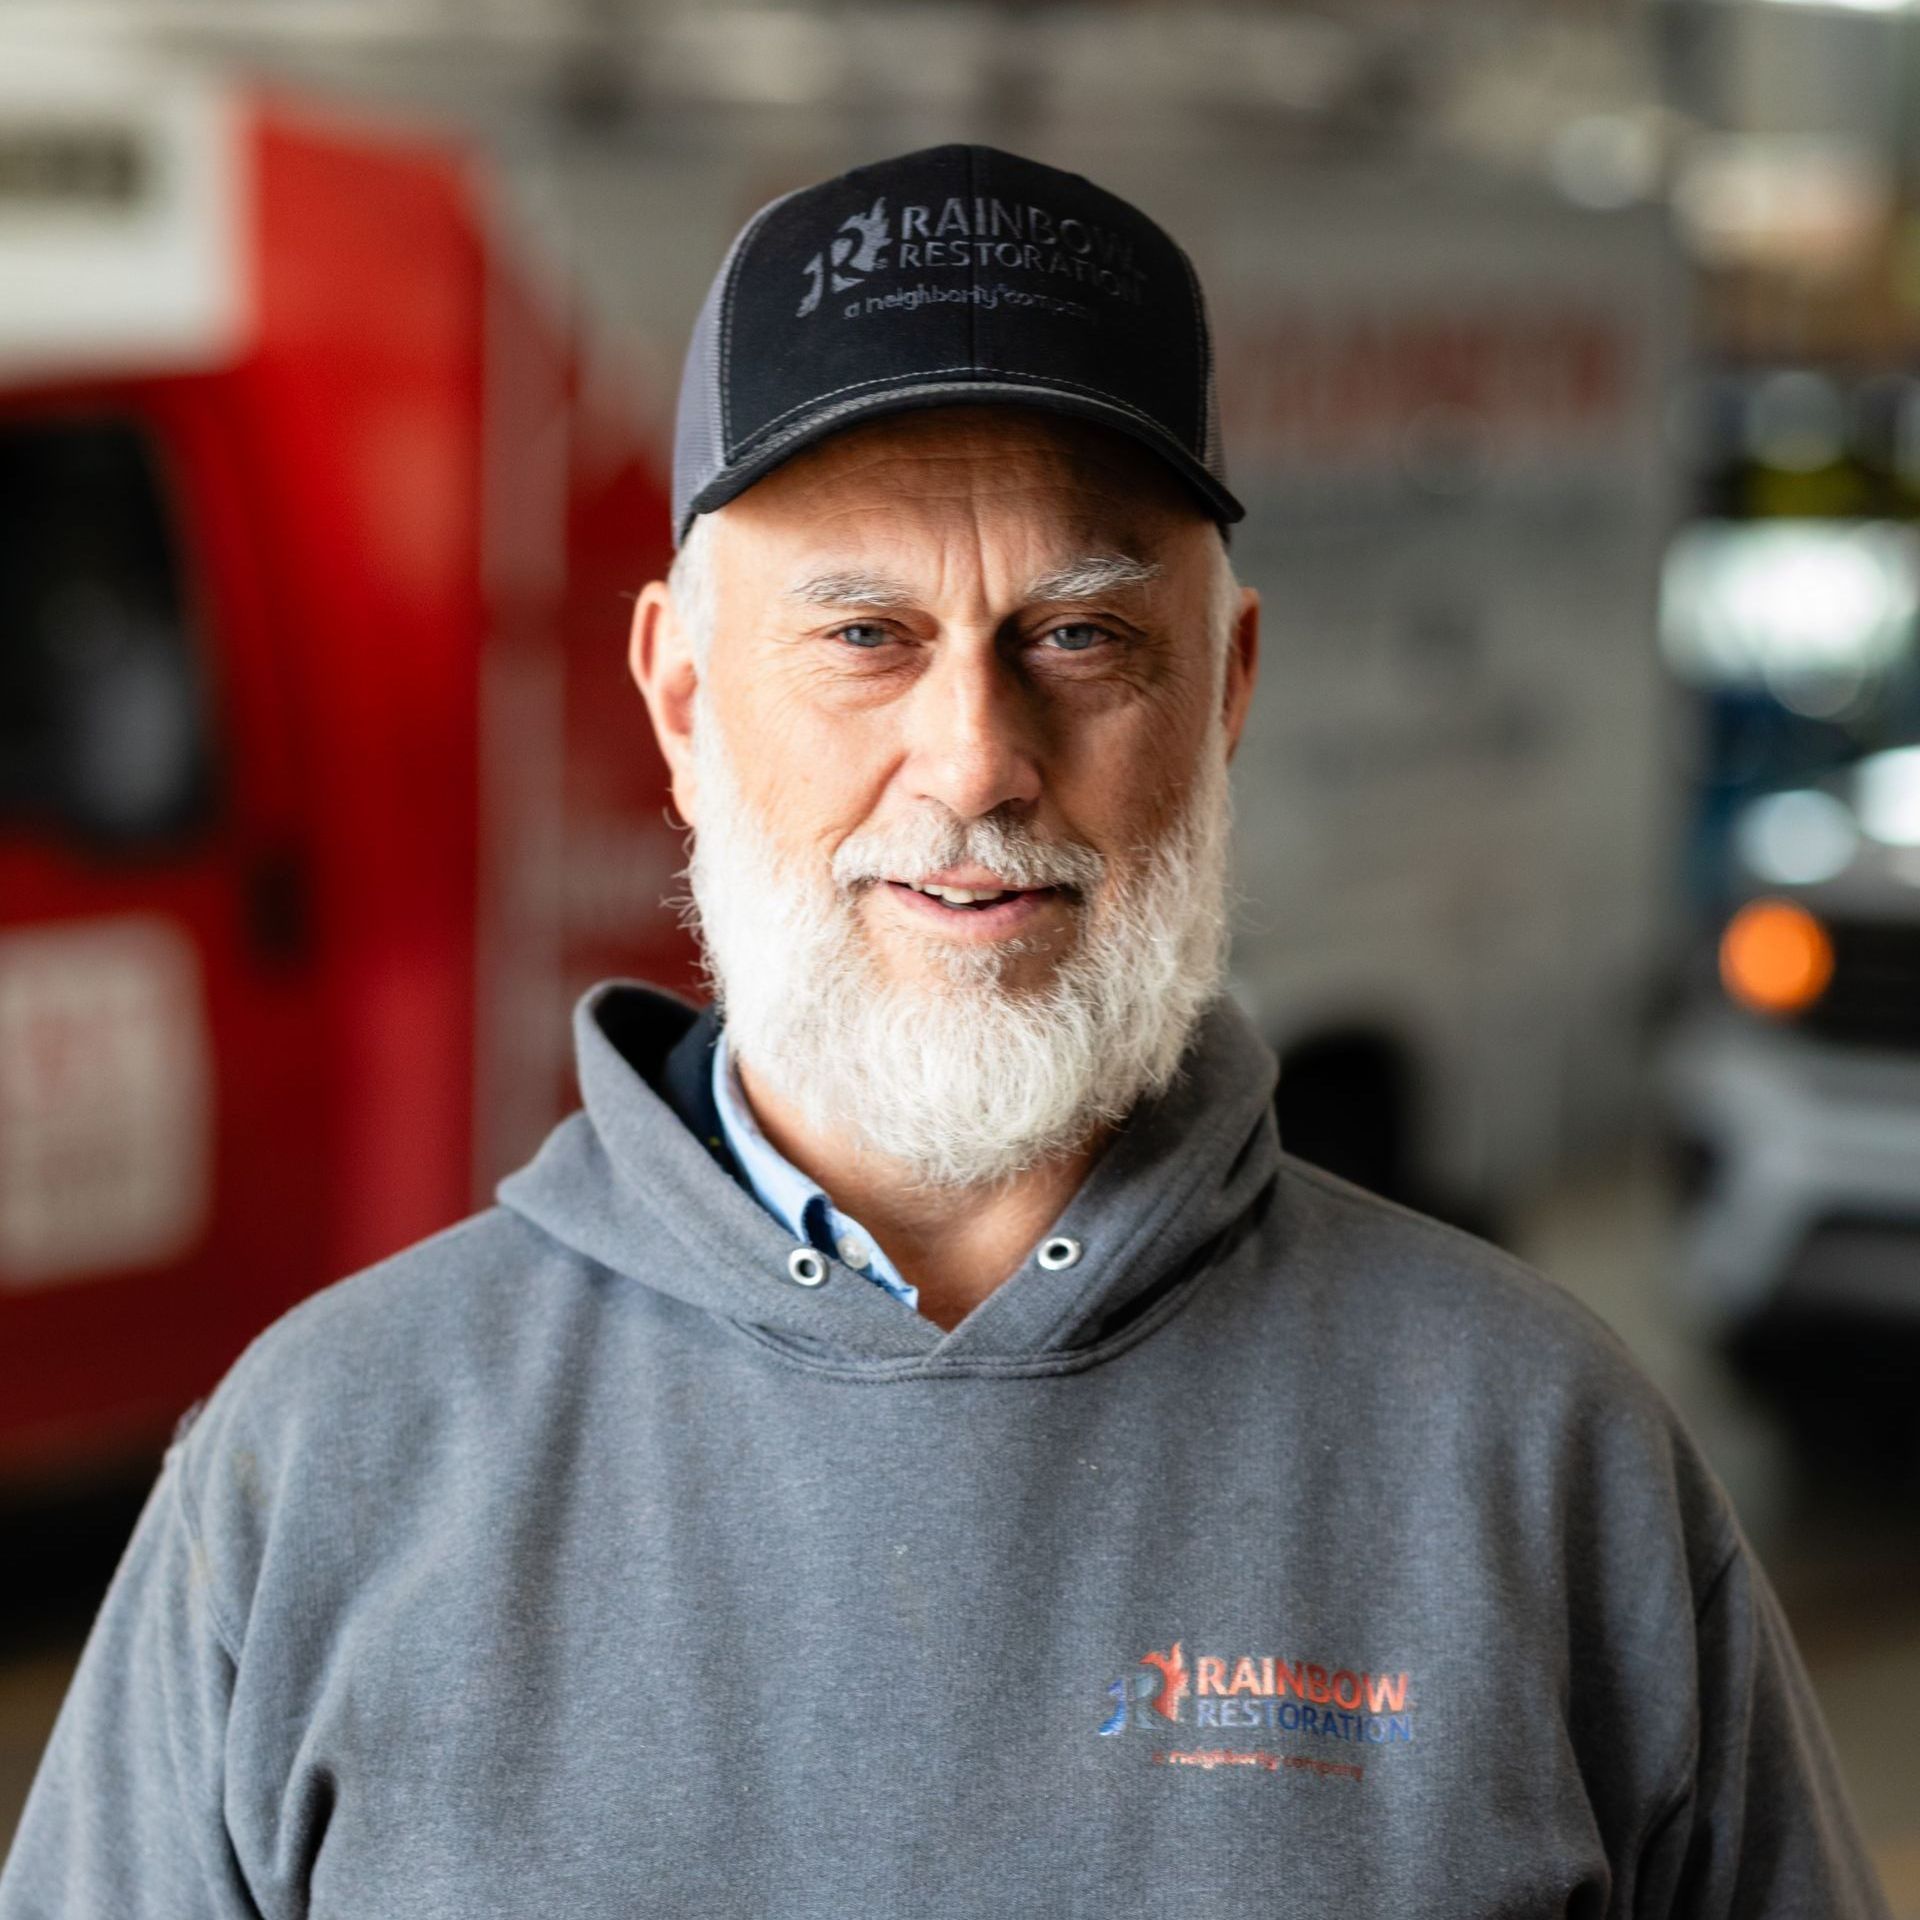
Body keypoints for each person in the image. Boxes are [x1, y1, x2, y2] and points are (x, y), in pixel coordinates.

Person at [0, 144, 1891, 1920]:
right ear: (681, 699)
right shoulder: (320, 1470)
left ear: (1226, 691)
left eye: (1080, 634)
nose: (976, 759)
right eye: (863, 636)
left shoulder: (1543, 1456)